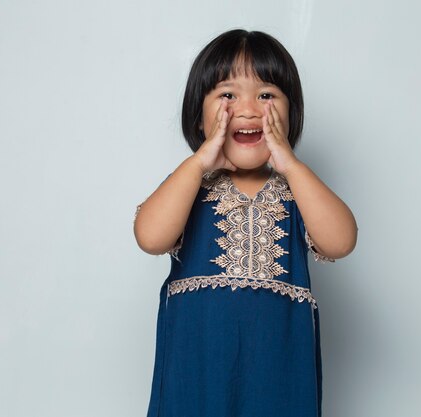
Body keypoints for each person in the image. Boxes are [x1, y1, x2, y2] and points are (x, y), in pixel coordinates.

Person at [134, 29, 358, 417]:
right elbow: (151, 237)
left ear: (292, 113)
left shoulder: (298, 190)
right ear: (199, 115)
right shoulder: (189, 185)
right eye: (227, 95)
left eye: (267, 94)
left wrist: (291, 166)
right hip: (197, 373)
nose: (249, 108)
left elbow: (341, 241)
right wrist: (199, 163)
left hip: (278, 377)